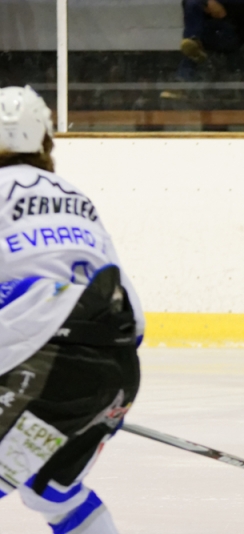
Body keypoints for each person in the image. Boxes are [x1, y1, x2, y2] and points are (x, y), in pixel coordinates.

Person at [0, 86, 144, 533]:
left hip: (41, 365)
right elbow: (131, 312)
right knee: (51, 491)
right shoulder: (76, 198)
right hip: (115, 370)